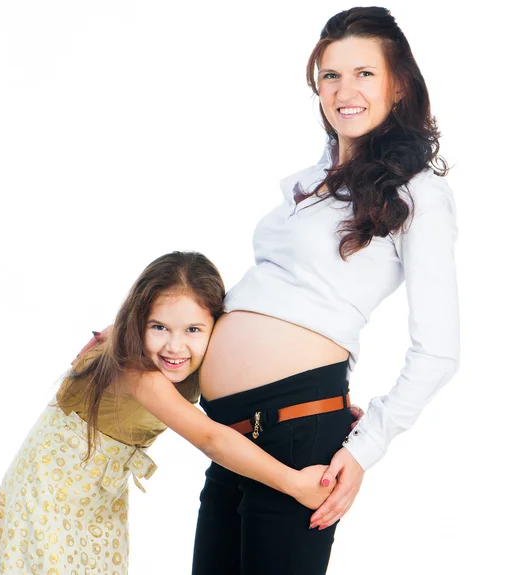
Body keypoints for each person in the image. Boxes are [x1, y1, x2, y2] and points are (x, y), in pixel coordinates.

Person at [188, 6, 460, 575]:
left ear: (399, 83)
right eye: (330, 75)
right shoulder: (312, 183)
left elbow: (438, 350)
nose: (344, 90)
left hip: (299, 429)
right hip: (229, 435)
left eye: (364, 72)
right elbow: (263, 296)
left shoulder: (418, 193)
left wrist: (363, 450)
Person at [0, 251, 354, 575]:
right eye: (159, 327)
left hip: (97, 498)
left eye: (192, 329)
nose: (175, 346)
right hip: (51, 492)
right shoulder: (136, 368)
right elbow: (210, 437)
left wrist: (322, 407)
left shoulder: (194, 361)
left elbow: (253, 377)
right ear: (138, 322)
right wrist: (292, 482)